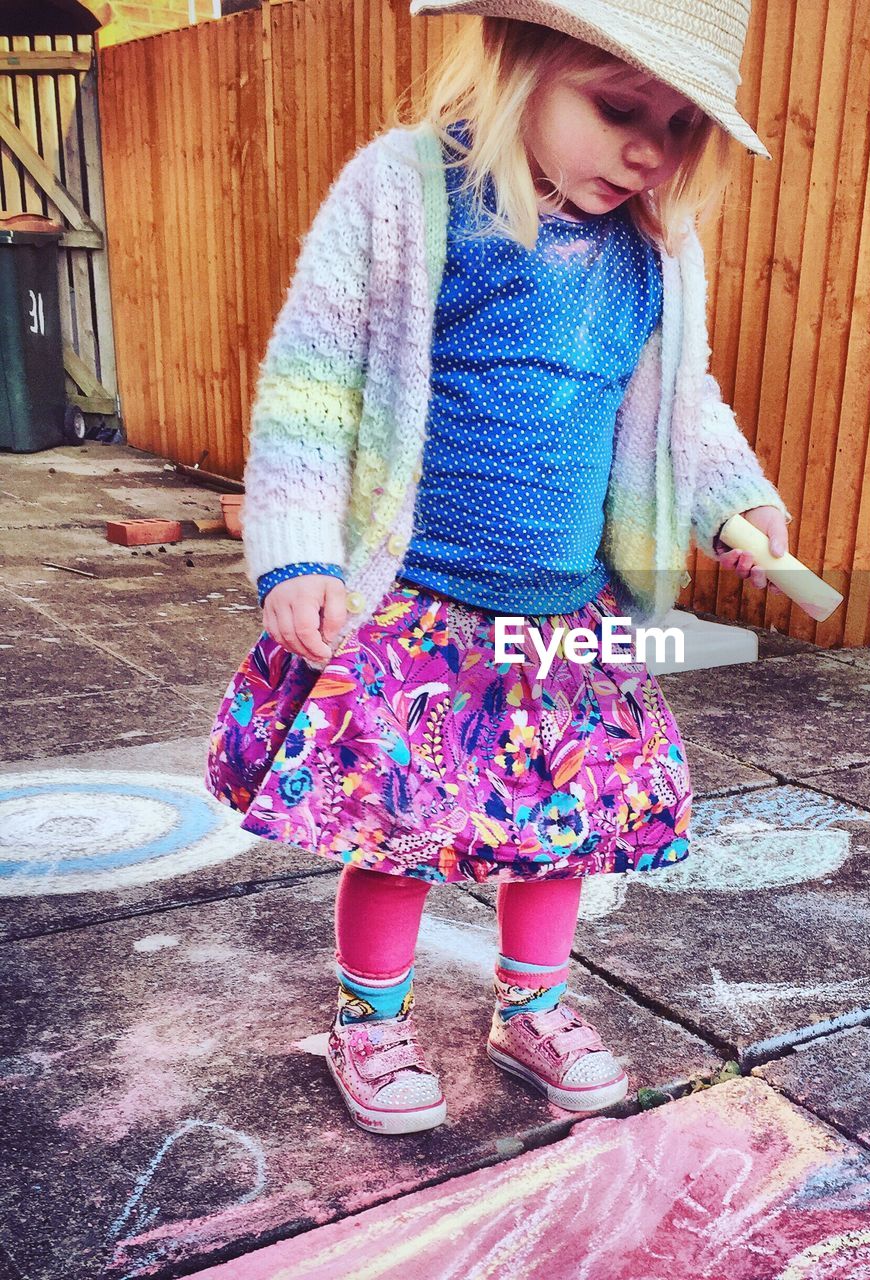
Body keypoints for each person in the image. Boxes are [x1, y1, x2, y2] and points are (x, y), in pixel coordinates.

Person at [205, 0, 792, 1136]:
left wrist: (736, 504)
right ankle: (368, 1018)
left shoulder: (657, 247)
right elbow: (312, 381)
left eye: (677, 127)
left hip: (565, 607)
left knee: (559, 818)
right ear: (517, 65)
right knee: (397, 821)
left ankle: (530, 1005)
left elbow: (679, 404)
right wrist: (297, 553)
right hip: (414, 600)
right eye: (618, 109)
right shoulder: (407, 193)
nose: (649, 150)